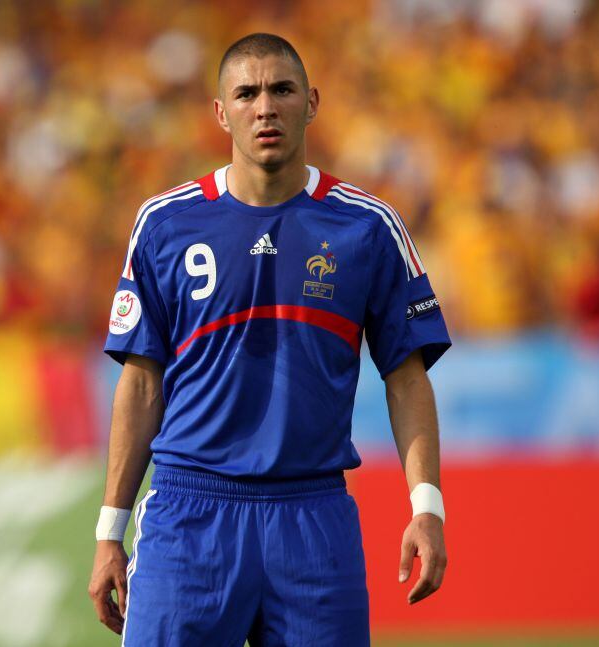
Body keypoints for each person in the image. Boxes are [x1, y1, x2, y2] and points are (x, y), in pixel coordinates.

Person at [87, 33, 451, 646]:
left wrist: (428, 506)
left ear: (310, 103)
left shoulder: (367, 226)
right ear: (220, 111)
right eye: (247, 93)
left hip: (313, 518)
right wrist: (108, 532)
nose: (265, 107)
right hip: (188, 515)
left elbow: (407, 377)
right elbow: (141, 383)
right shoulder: (164, 224)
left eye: (281, 90)